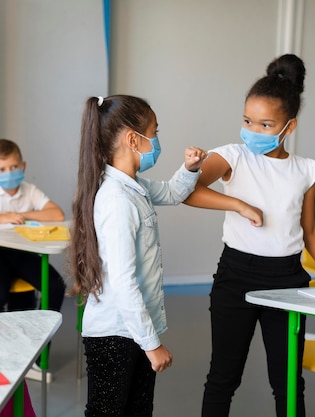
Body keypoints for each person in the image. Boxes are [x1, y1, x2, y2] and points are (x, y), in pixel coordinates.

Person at [183, 54, 315, 417]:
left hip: (288, 280)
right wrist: (237, 204)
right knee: (223, 377)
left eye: (266, 124)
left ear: (290, 126)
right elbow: (188, 191)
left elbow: (311, 231)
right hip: (235, 277)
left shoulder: (307, 170)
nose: (253, 131)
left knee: (287, 382)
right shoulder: (232, 156)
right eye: (247, 121)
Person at [68, 94, 208, 417]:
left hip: (133, 329)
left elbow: (173, 192)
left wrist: (189, 169)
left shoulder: (133, 185)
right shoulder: (117, 200)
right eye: (154, 132)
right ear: (134, 138)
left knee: (138, 409)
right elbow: (122, 282)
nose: (157, 142)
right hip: (116, 334)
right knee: (108, 411)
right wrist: (152, 344)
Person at [0, 138, 66, 313]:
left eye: (14, 167)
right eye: (1, 170)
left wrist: (21, 216)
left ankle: (40, 329)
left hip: (24, 252)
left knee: (55, 287)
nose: (9, 173)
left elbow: (57, 214)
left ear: (23, 166)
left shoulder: (30, 190)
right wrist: (2, 218)